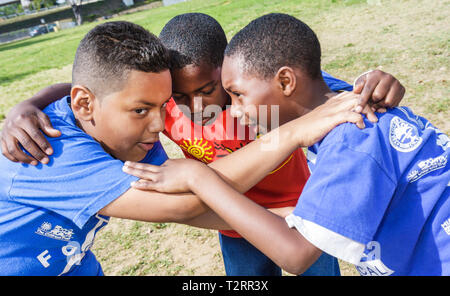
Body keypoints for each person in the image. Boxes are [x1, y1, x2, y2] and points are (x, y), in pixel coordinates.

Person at [1, 14, 406, 276]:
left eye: (209, 90)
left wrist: (376, 83)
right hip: (242, 228)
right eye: (168, 99)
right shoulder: (56, 148)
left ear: (226, 71)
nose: (166, 120)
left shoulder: (254, 102)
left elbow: (319, 95)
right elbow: (184, 206)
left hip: (299, 220)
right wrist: (27, 104)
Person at [121, 13, 450, 276]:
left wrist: (197, 175)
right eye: (179, 96)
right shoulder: (172, 109)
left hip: (305, 212)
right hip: (240, 223)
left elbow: (297, 255)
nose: (196, 106)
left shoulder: (340, 130)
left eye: (213, 90)